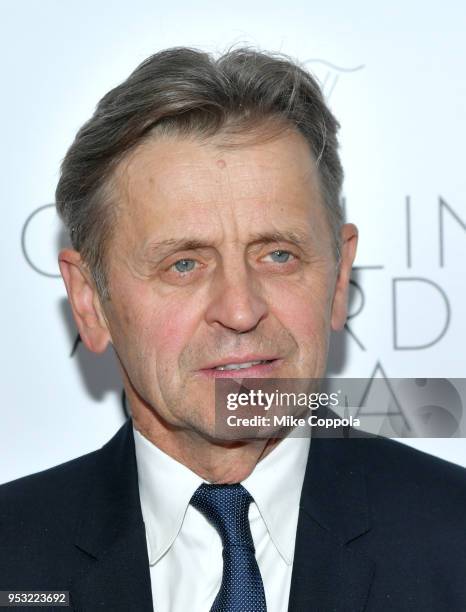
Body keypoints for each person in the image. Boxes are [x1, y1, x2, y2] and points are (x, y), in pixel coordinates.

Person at [1, 46, 466, 612]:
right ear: (90, 301)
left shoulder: (454, 541)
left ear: (339, 277)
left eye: (278, 255)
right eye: (184, 264)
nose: (241, 310)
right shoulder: (13, 557)